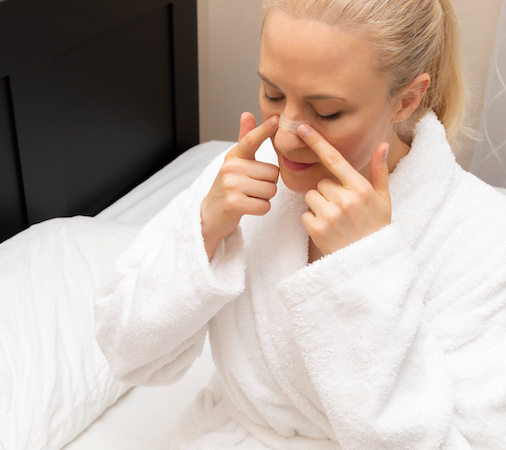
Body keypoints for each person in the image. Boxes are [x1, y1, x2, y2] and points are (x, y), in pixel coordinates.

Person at [95, 0, 506, 447]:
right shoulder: (238, 180)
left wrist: (363, 270)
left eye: (326, 111)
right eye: (272, 94)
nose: (286, 135)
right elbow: (125, 353)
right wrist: (202, 232)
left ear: (407, 98)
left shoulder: (482, 239)